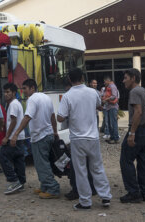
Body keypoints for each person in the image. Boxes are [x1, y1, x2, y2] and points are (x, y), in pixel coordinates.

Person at [57, 68, 112, 210]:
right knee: (97, 167)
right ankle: (105, 196)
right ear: (82, 78)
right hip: (93, 137)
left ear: (69, 79)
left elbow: (60, 117)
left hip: (77, 139)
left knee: (81, 170)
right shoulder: (92, 92)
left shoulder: (68, 96)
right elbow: (100, 106)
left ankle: (86, 201)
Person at [10, 79, 60, 199]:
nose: (23, 92)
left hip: (40, 136)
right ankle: (44, 186)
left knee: (42, 164)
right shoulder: (46, 97)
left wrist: (16, 133)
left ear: (32, 88)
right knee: (43, 162)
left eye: (25, 88)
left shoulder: (32, 99)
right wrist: (55, 131)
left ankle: (52, 188)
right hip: (48, 135)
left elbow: (27, 117)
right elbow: (52, 116)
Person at [119, 68, 145, 203]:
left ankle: (133, 192)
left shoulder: (134, 91)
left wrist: (132, 133)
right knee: (144, 161)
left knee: (126, 160)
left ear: (133, 78)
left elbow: (138, 112)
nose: (123, 81)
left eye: (125, 78)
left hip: (138, 130)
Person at [0, 83, 26, 195]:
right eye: (4, 92)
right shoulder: (16, 103)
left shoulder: (13, 104)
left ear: (14, 92)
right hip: (19, 137)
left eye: (8, 92)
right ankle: (21, 182)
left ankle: (13, 180)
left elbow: (13, 121)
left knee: (3, 156)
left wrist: (7, 137)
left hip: (13, 137)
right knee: (18, 160)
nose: (6, 94)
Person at [103, 76, 120, 144]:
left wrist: (106, 99)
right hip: (109, 107)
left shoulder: (112, 86)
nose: (104, 83)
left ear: (107, 81)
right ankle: (112, 137)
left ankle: (115, 138)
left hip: (113, 107)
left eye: (105, 82)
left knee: (113, 123)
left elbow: (114, 96)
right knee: (110, 123)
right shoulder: (109, 87)